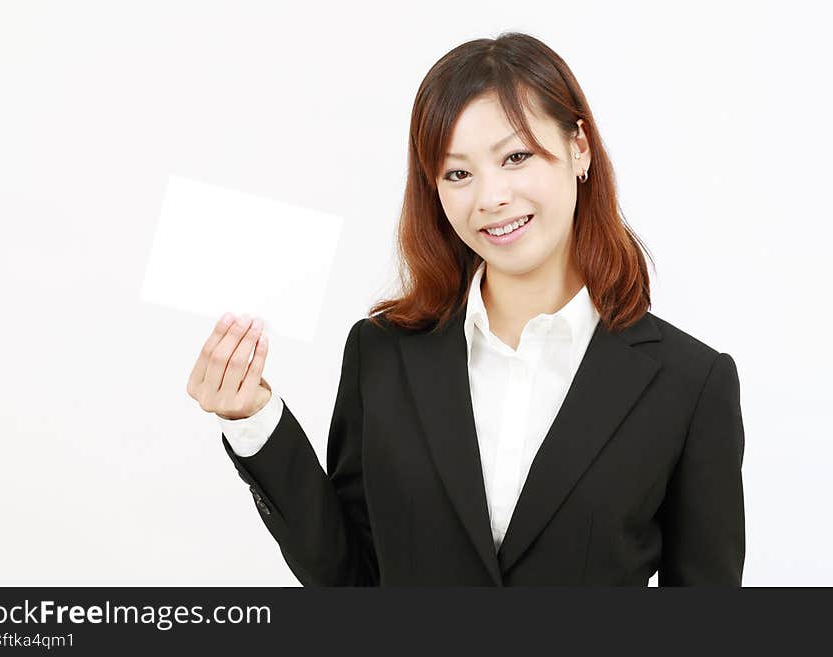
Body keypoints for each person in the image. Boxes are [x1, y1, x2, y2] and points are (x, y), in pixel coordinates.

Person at [186, 32, 745, 586]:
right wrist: (253, 417)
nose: (490, 197)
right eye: (458, 173)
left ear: (580, 147)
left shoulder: (690, 384)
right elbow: (349, 577)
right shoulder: (382, 353)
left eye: (516, 156)